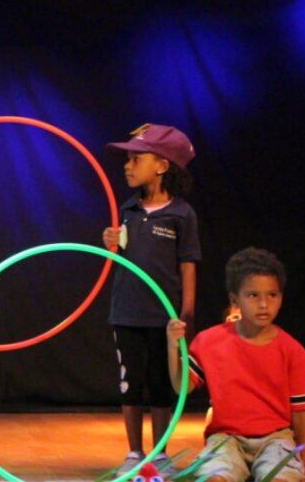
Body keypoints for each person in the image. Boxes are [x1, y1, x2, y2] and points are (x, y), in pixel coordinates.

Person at [166, 248, 305, 482]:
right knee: (215, 478)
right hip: (225, 438)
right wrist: (173, 346)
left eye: (272, 295)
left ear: (281, 298)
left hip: (276, 438)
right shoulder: (209, 341)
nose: (264, 304)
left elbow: (302, 415)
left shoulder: (293, 351)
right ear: (235, 300)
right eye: (253, 295)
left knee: (282, 478)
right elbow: (181, 387)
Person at [101, 123, 199, 474]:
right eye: (127, 159)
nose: (127, 166)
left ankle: (159, 452)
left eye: (135, 158)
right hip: (126, 311)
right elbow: (122, 257)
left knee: (161, 383)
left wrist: (186, 312)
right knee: (131, 382)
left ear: (161, 165)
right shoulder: (128, 209)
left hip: (164, 316)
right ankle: (133, 452)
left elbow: (188, 266)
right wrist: (112, 243)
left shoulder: (181, 214)